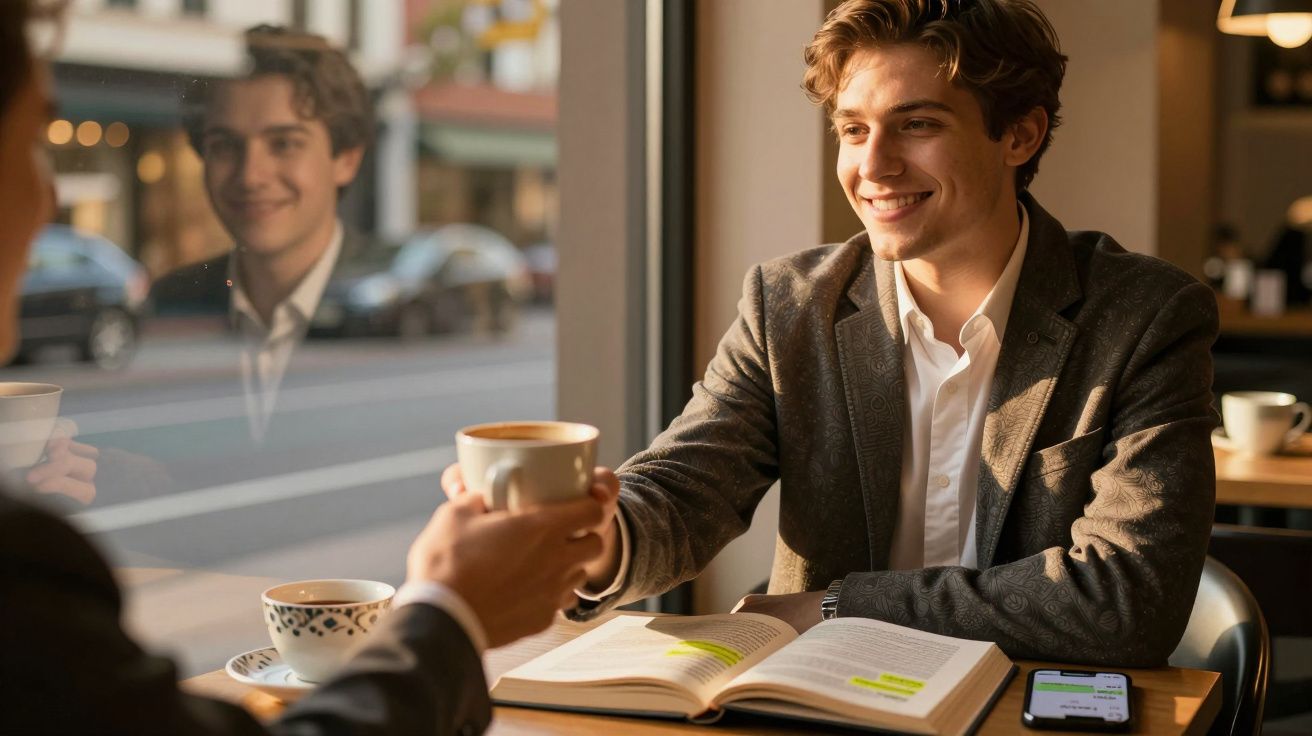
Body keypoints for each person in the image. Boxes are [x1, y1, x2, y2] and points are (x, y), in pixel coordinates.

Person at [446, 0, 1218, 667]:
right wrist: (591, 535)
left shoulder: (1143, 317)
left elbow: (1126, 599)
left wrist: (837, 607)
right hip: (821, 702)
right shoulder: (787, 306)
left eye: (917, 124)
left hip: (1019, 708)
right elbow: (685, 491)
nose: (872, 166)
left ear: (1020, 135)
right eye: (853, 129)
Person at [0, 3, 614, 733]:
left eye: (284, 142)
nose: (51, 197)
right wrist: (449, 613)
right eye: (33, 143)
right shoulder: (24, 567)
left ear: (347, 159)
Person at [150, 24, 376, 442]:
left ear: (346, 159)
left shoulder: (385, 302)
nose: (250, 176)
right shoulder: (165, 305)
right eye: (225, 146)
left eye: (284, 143)